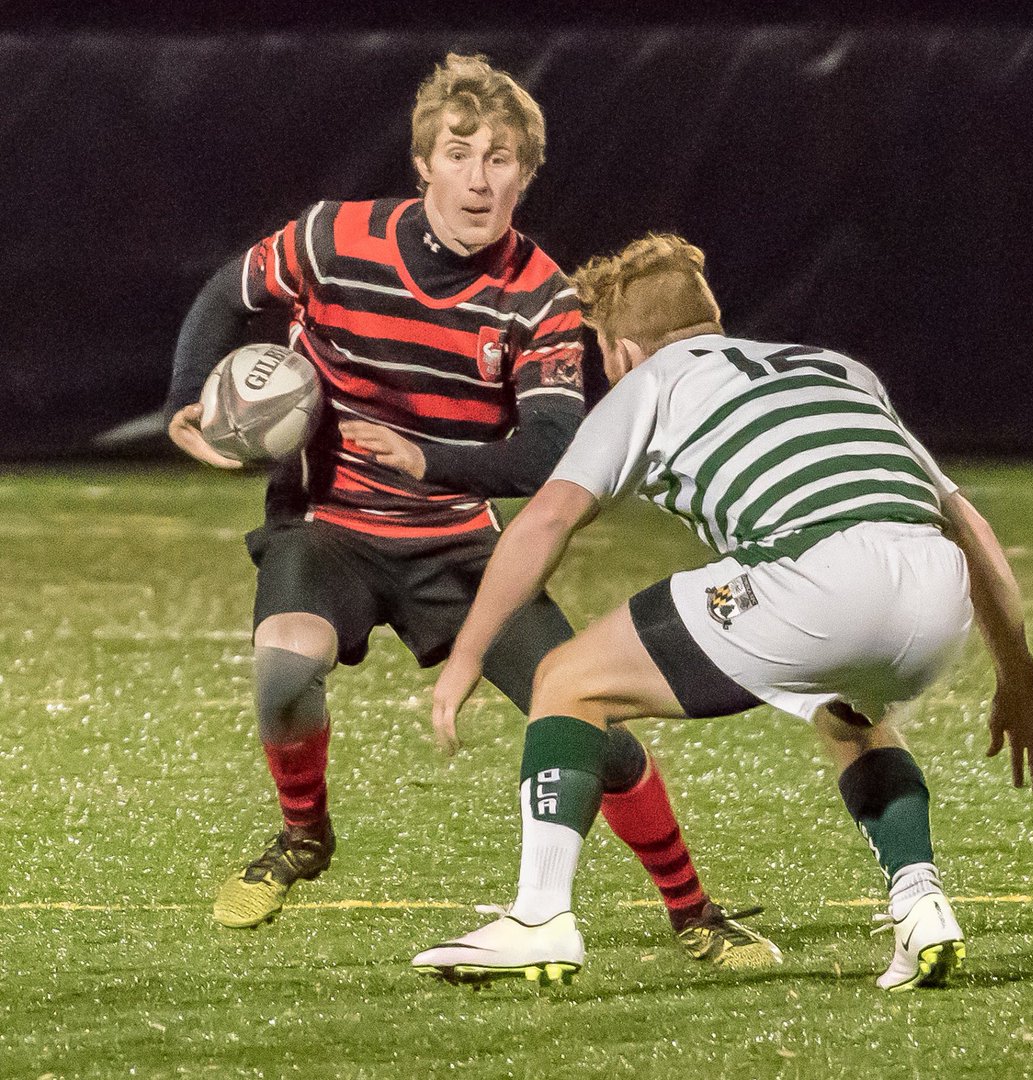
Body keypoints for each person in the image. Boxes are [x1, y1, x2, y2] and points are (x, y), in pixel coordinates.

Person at [165, 57, 780, 969]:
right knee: (282, 674)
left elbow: (546, 450)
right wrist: (188, 404)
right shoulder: (333, 239)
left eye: (503, 160)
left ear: (526, 177)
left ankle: (693, 912)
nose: (481, 178)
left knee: (591, 725)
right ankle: (304, 837)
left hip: (460, 550)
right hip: (327, 524)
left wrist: (429, 459)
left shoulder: (541, 297)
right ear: (424, 163)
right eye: (462, 153)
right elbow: (230, 292)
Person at [412, 232, 1033, 990]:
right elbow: (971, 528)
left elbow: (546, 520)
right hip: (935, 584)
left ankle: (537, 918)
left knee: (567, 679)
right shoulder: (837, 368)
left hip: (817, 574)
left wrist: (467, 655)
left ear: (624, 348)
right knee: (850, 717)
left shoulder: (649, 381)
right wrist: (1019, 676)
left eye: (604, 354)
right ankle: (921, 901)